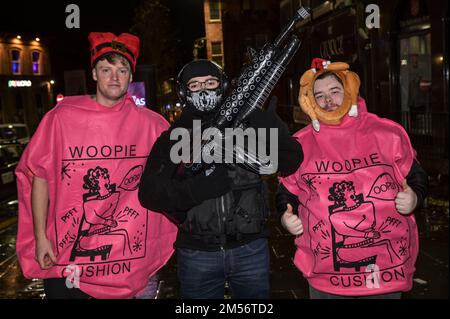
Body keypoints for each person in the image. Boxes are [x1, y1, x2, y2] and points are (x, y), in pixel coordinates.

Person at [15, 32, 177, 299]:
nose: (114, 77)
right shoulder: (61, 119)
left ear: (130, 76)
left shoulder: (153, 125)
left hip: (126, 268)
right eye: (106, 69)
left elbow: (178, 174)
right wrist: (41, 237)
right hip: (67, 265)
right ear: (93, 74)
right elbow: (39, 177)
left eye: (122, 70)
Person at [138, 59, 303, 299]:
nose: (204, 89)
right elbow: (149, 193)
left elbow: (291, 161)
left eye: (210, 82)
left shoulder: (246, 123)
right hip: (197, 254)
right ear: (184, 92)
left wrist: (269, 125)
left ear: (222, 86)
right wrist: (197, 189)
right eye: (195, 85)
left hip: (251, 250)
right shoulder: (174, 137)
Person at [276, 58, 428, 299]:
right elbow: (287, 192)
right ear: (310, 101)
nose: (327, 101)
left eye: (334, 92)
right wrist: (285, 216)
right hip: (326, 278)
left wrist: (415, 197)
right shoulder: (299, 144)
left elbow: (416, 176)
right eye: (319, 95)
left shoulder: (387, 133)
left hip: (386, 277)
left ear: (349, 90)